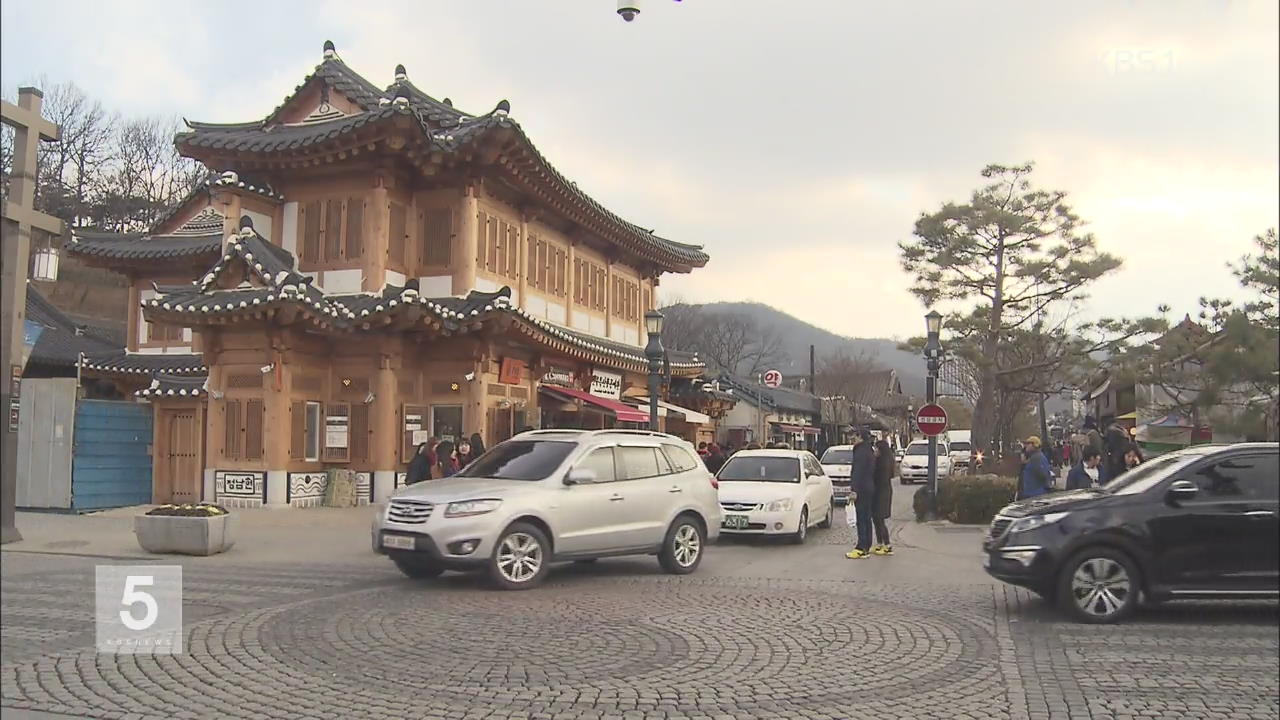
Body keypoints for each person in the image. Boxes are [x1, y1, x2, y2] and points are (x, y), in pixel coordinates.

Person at [845, 431, 877, 560]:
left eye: (855, 436)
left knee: (861, 518)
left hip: (862, 489)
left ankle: (861, 547)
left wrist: (854, 490)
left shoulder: (860, 452)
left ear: (860, 437)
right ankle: (867, 545)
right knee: (867, 518)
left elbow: (857, 473)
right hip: (869, 487)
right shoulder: (869, 450)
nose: (852, 438)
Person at [871, 435, 895, 556]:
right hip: (879, 492)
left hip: (882, 493)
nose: (875, 451)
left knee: (880, 519)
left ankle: (887, 545)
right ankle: (879, 543)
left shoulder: (884, 464)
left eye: (876, 449)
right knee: (876, 519)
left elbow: (881, 479)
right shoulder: (880, 461)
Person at [1102, 418, 1130, 483]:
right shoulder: (1122, 430)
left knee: (1113, 478)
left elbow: (1109, 445)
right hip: (1124, 455)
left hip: (1115, 457)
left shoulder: (1110, 430)